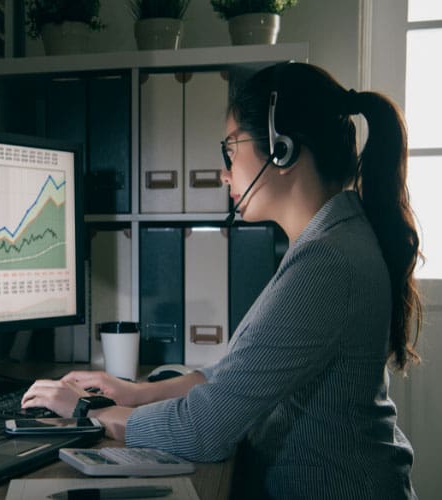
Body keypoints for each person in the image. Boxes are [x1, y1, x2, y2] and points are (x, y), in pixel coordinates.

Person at [21, 62, 421, 499]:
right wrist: (131, 392)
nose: (225, 172)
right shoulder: (329, 240)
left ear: (280, 149)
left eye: (231, 149)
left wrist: (84, 411)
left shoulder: (328, 261)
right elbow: (232, 376)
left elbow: (203, 430)